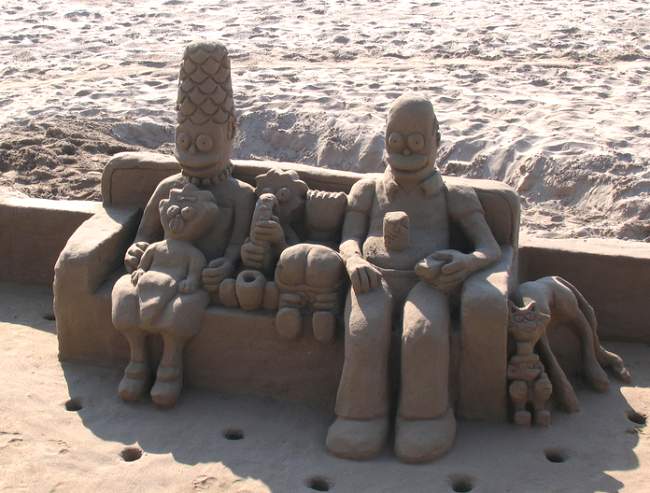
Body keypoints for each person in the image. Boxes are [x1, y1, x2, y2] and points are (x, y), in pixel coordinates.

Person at [326, 94, 501, 463]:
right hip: (373, 277)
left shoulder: (454, 194)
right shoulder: (367, 189)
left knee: (422, 333)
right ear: (385, 139)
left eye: (417, 141)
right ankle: (360, 416)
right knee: (363, 329)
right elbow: (348, 238)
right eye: (396, 140)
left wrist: (464, 262)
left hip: (429, 283)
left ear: (436, 141)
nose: (405, 150)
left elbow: (489, 248)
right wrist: (353, 261)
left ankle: (426, 418)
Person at [112, 41, 254, 407]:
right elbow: (145, 234)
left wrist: (226, 263)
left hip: (194, 281)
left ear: (231, 132)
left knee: (181, 311)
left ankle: (170, 366)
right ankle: (137, 360)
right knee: (124, 297)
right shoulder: (167, 187)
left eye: (205, 141)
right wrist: (137, 250)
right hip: (155, 273)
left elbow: (237, 246)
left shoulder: (241, 195)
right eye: (184, 140)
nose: (192, 152)